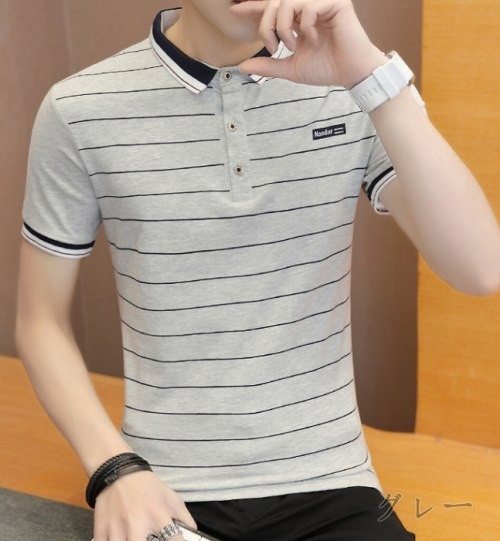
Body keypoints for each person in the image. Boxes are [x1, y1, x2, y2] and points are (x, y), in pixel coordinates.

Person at [16, 1, 500, 540]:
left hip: (331, 483)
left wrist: (370, 76)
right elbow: (40, 323)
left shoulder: (357, 86)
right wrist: (114, 468)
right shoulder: (79, 108)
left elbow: (480, 269)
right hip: (164, 489)